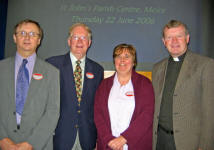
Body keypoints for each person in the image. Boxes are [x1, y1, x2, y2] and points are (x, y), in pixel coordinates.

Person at [152, 19, 214, 150]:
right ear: (164, 42)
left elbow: (210, 111)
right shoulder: (157, 68)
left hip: (188, 142)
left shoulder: (206, 65)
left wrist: (205, 145)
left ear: (187, 38)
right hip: (160, 140)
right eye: (169, 37)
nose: (174, 41)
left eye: (179, 36)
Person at [0, 19, 60, 150]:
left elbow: (53, 111)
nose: (27, 37)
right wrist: (2, 139)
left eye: (33, 34)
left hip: (39, 145)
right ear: (15, 38)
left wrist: (32, 144)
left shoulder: (52, 72)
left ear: (39, 40)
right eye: (22, 33)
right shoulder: (1, 68)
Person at [46, 23, 104, 150]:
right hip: (59, 136)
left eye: (83, 38)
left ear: (89, 43)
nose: (79, 41)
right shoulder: (52, 65)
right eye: (75, 37)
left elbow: (98, 106)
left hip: (87, 138)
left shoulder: (97, 70)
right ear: (69, 41)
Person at [94, 43, 154, 150]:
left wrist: (124, 139)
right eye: (118, 56)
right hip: (109, 145)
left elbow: (147, 115)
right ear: (114, 61)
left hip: (137, 144)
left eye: (127, 57)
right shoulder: (104, 85)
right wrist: (109, 140)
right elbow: (98, 115)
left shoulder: (145, 84)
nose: (122, 60)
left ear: (134, 61)